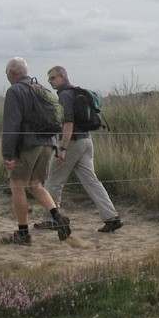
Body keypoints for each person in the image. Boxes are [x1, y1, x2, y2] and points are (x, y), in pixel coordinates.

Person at [1, 57, 72, 245]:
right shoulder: (40, 88)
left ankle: (23, 234)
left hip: (28, 145)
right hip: (48, 143)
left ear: (11, 73)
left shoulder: (15, 91)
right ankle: (58, 217)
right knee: (35, 184)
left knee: (17, 185)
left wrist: (7, 154)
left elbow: (11, 124)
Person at [44, 66, 124, 233]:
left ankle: (52, 219)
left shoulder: (65, 95)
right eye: (49, 79)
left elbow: (68, 122)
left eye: (53, 78)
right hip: (86, 141)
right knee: (91, 181)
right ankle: (111, 217)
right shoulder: (76, 92)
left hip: (72, 142)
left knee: (53, 179)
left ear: (63, 76)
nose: (50, 82)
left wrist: (63, 147)